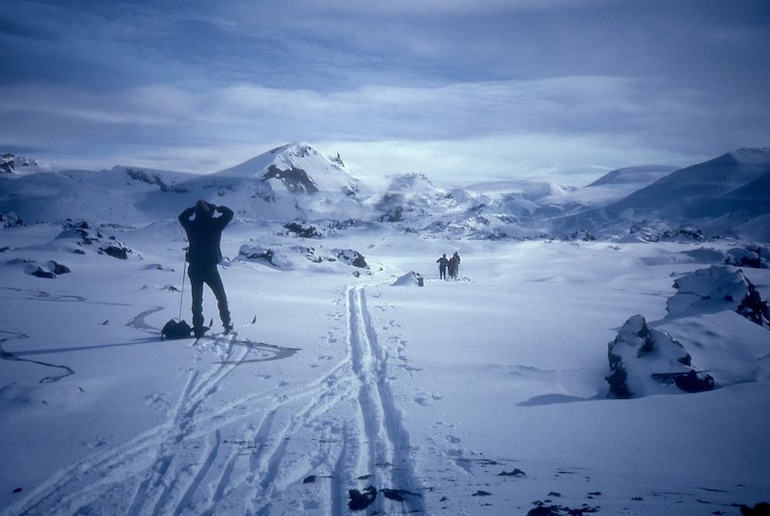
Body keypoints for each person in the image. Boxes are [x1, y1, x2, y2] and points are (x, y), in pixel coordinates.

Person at [179, 200, 234, 338]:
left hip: (195, 268)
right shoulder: (215, 225)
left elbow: (182, 217)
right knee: (221, 296)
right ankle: (227, 324)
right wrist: (217, 207)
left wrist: (193, 209)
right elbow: (229, 214)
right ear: (210, 211)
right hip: (210, 268)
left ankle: (198, 327)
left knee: (197, 299)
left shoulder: (192, 226)